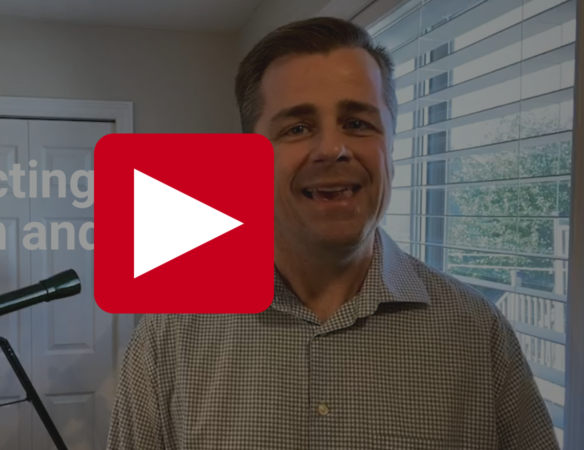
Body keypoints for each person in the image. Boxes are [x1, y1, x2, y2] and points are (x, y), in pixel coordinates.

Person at [106, 17, 559, 450]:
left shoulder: (478, 334)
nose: (332, 148)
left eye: (357, 123)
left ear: (391, 147)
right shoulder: (169, 337)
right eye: (298, 127)